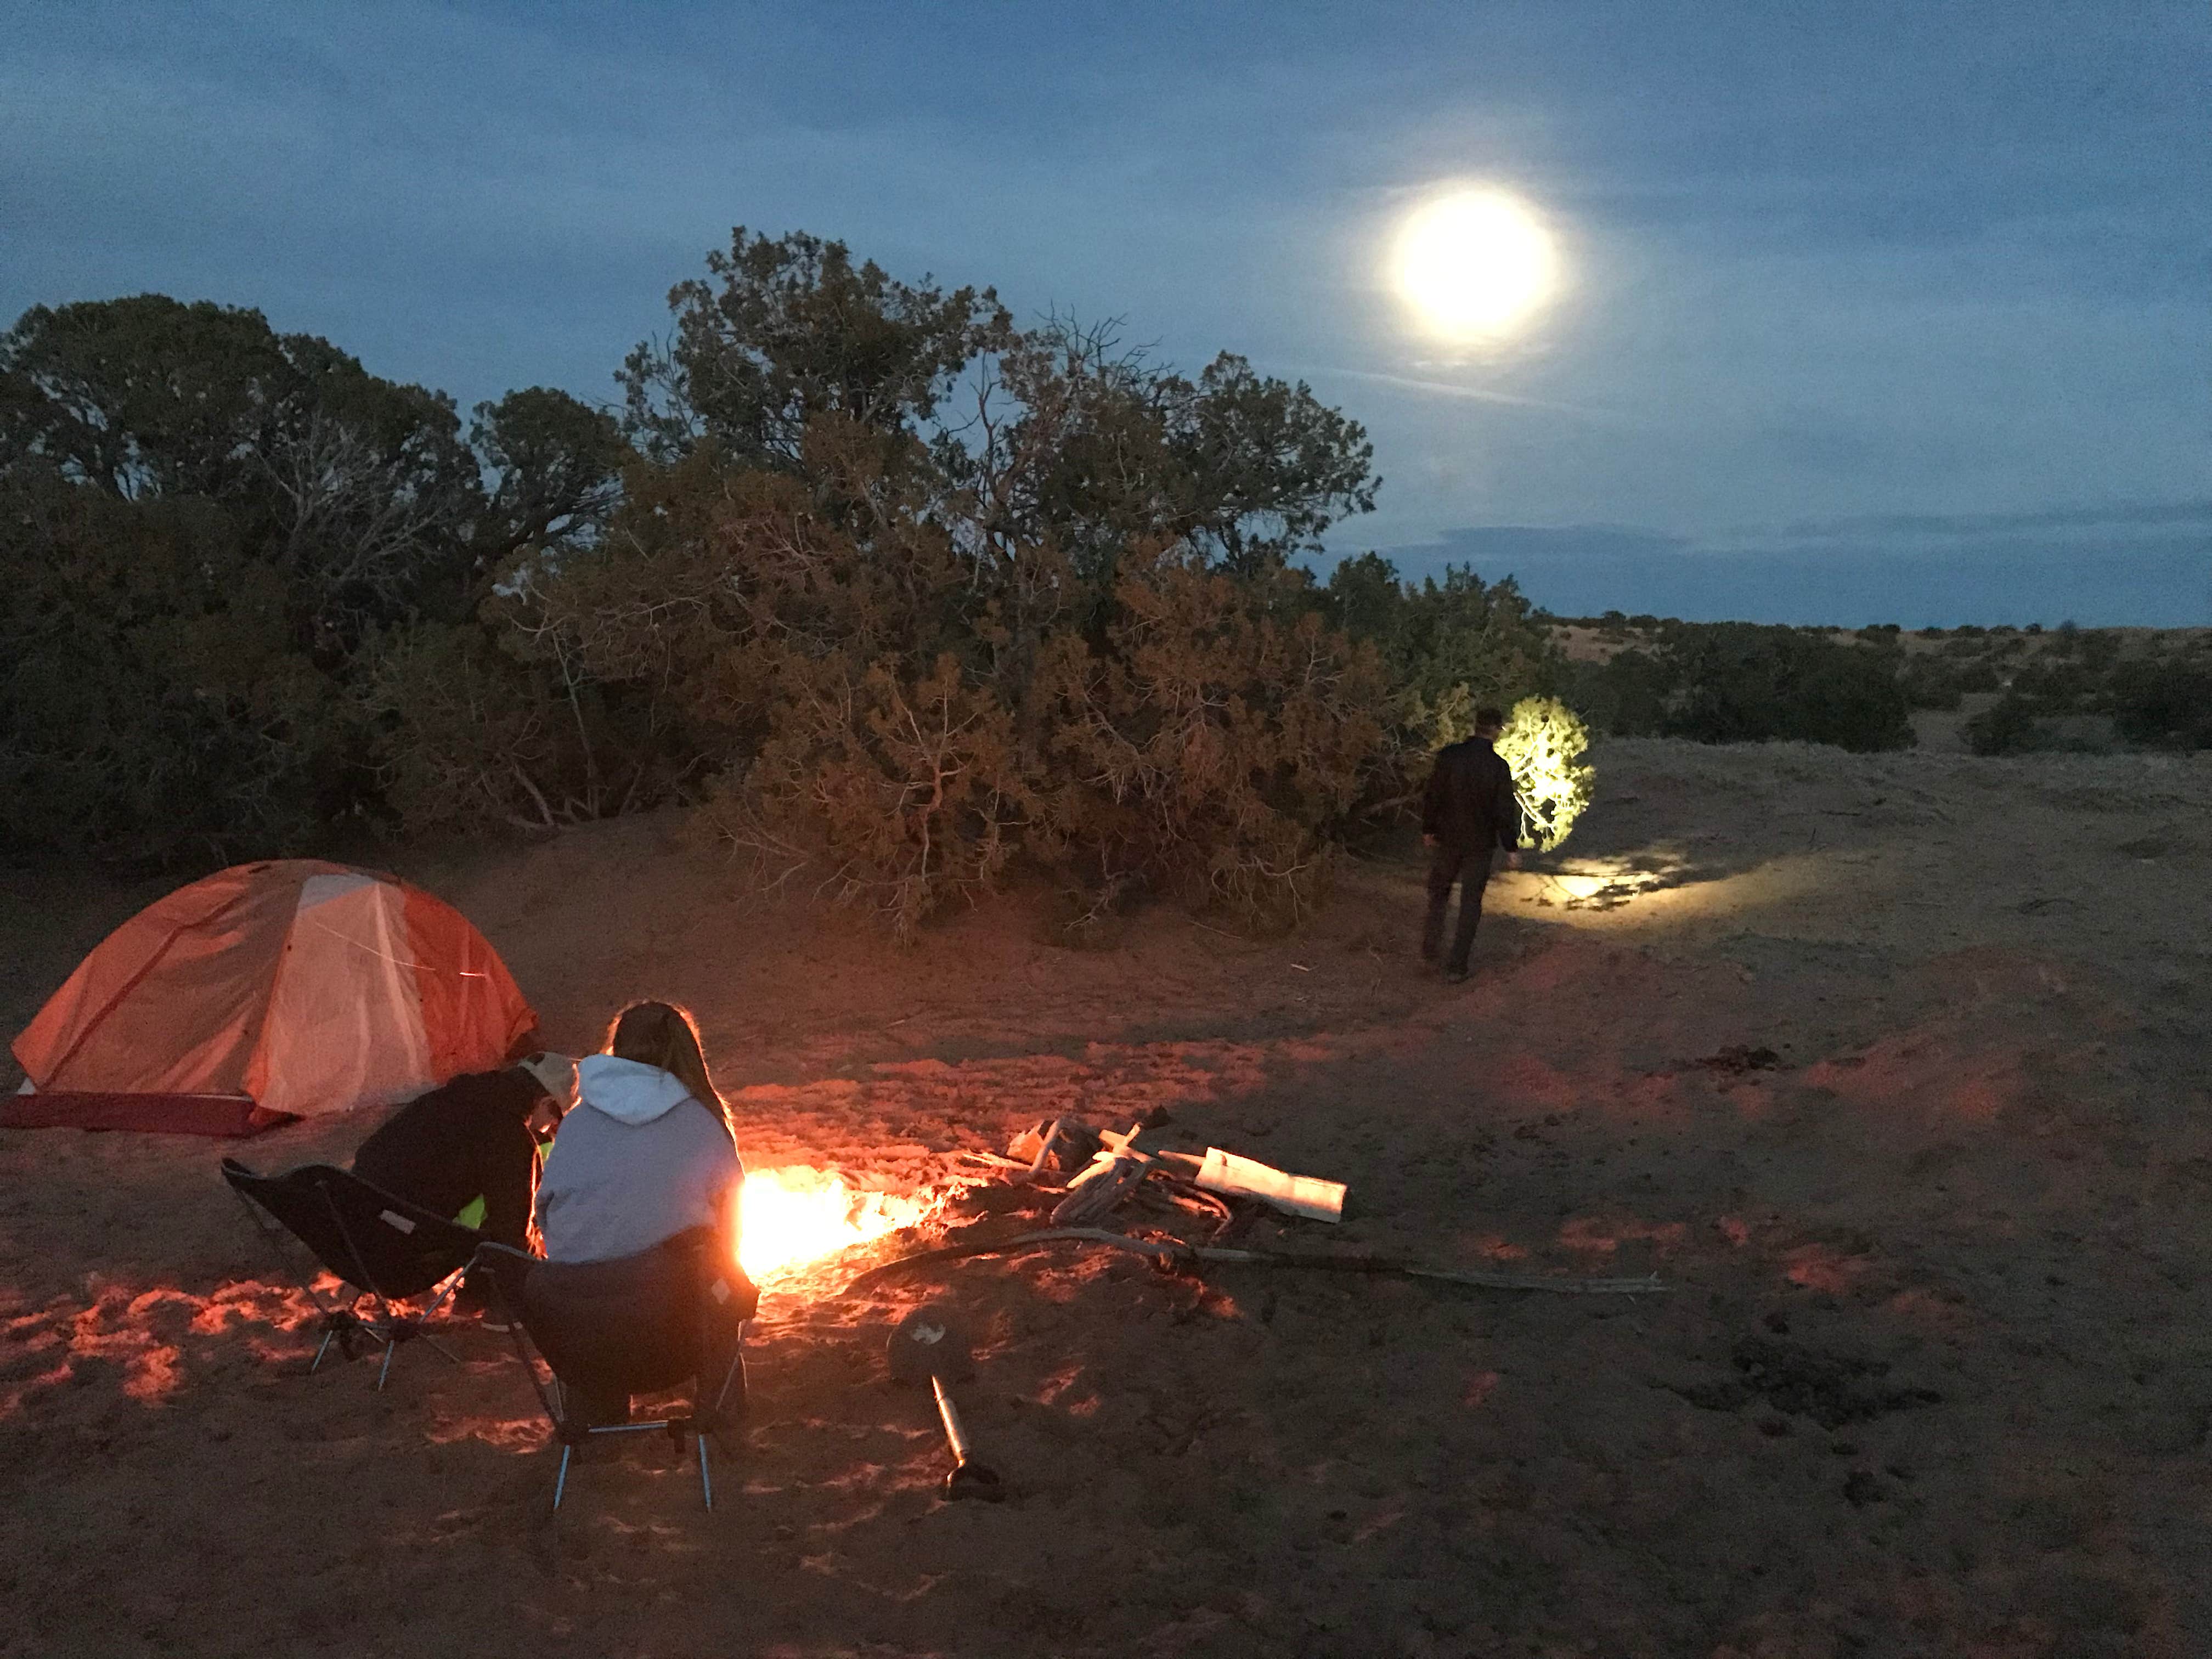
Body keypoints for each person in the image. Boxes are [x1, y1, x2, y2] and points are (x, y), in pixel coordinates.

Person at [533, 1000, 745, 1428]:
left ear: (618, 1048)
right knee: (727, 1284)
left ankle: (591, 1426)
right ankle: (723, 1421)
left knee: (596, 1272)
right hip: (671, 1334)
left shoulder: (575, 1124)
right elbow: (731, 1229)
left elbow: (545, 1214)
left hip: (578, 1331)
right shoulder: (700, 1121)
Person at [349, 1052, 576, 1319]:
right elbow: (511, 1234)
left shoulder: (441, 1100)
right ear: (546, 1101)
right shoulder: (510, 1136)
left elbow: (368, 1156)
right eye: (557, 1120)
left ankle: (471, 1298)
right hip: (398, 1257)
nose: (549, 1130)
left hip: (346, 1233)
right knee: (500, 1240)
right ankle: (481, 1305)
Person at [1420, 706, 1525, 984]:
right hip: (1479, 844)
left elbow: (1433, 795)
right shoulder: (1498, 767)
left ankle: (1430, 951)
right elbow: (1504, 812)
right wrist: (1511, 849)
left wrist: (1429, 828)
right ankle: (1457, 965)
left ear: (1476, 725)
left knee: (1439, 894)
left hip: (1448, 839)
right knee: (1470, 904)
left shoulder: (1449, 757)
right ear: (1497, 730)